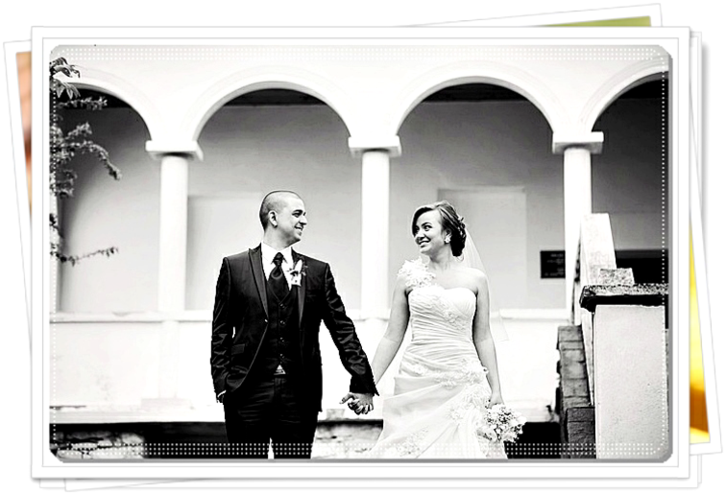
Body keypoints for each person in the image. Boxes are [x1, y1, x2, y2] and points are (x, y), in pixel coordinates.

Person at [210, 190, 377, 459]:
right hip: (245, 391)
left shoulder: (318, 271)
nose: (305, 220)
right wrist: (222, 383)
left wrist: (362, 381)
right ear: (273, 217)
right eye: (298, 214)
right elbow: (220, 330)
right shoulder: (234, 266)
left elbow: (342, 329)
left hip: (299, 393)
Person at [348, 200, 506, 459]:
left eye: (426, 227)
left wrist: (496, 389)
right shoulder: (407, 278)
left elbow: (484, 337)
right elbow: (391, 337)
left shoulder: (476, 280)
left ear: (448, 234)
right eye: (416, 229)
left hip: (464, 382)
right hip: (417, 379)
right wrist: (366, 384)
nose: (418, 234)